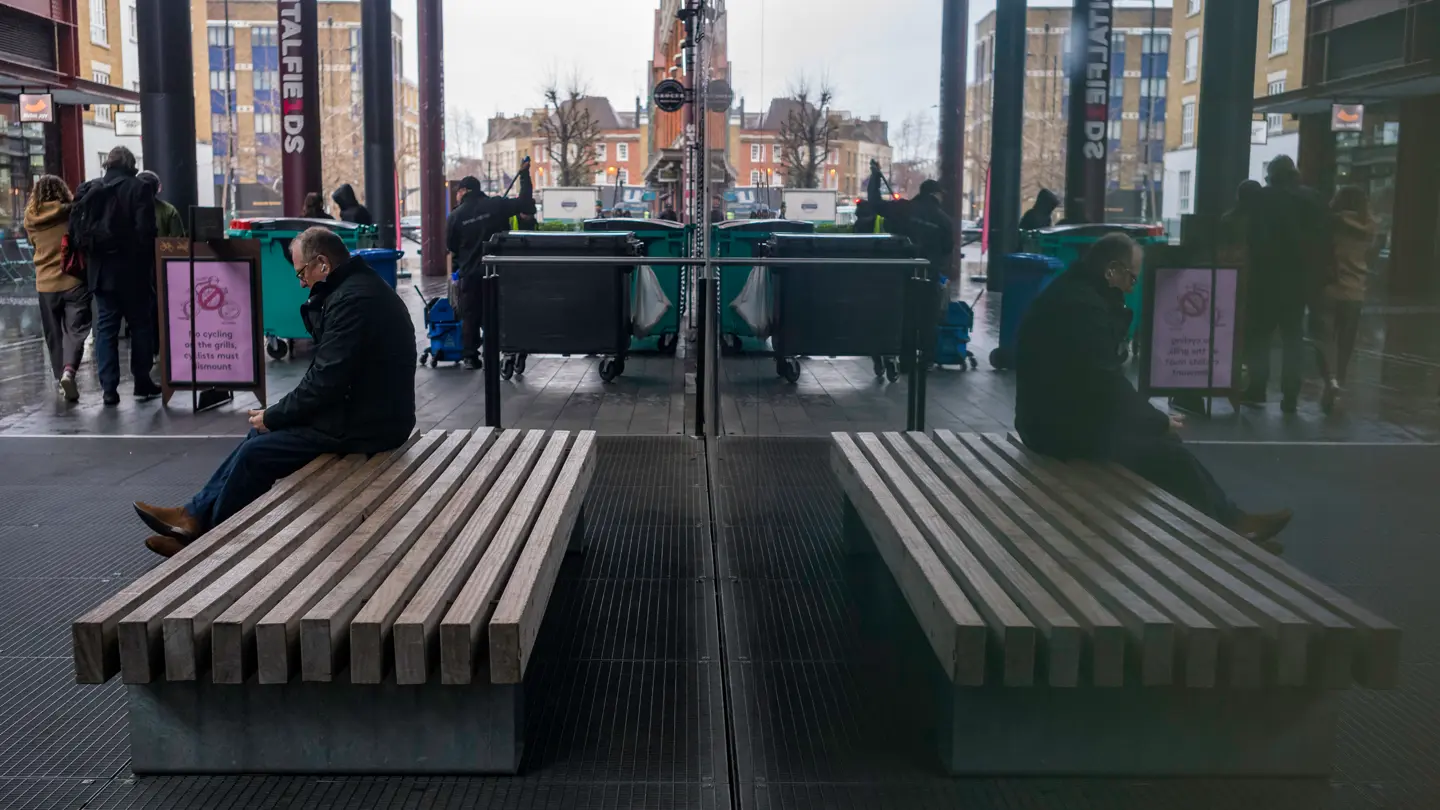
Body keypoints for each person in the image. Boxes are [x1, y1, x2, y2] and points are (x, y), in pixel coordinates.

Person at [132, 227, 416, 557]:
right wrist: (275, 416)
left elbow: (324, 383)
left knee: (258, 454)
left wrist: (275, 414)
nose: (300, 282)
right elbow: (326, 378)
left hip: (370, 424)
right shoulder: (355, 290)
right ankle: (193, 518)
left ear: (322, 264)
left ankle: (204, 543)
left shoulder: (352, 301)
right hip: (367, 411)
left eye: (301, 272)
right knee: (258, 436)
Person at [1014, 233, 1291, 544]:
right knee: (1169, 455)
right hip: (1052, 428)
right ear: (1112, 271)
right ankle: (1229, 527)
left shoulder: (1073, 293)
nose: (1132, 288)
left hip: (1048, 415)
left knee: (1163, 445)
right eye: (1131, 279)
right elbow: (1106, 384)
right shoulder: (1083, 308)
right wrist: (1156, 420)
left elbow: (1096, 382)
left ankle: (1232, 519)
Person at [73, 145, 159, 406]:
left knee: (106, 330)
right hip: (133, 273)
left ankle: (109, 388)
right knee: (141, 326)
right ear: (130, 163)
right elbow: (146, 231)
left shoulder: (91, 188)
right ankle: (142, 381)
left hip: (100, 273)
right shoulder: (139, 187)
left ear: (108, 164)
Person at [1243, 154, 1328, 413]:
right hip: (1299, 281)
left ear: (1272, 176)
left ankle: (1257, 387)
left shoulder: (1262, 199)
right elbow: (1323, 241)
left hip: (1265, 279)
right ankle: (1290, 394)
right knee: (1294, 339)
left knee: (1259, 336)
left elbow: (1249, 234)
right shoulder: (1313, 199)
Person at [447, 161, 534, 370]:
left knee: (470, 314)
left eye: (458, 192)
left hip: (471, 273)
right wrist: (524, 176)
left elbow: (451, 246)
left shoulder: (456, 216)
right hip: (498, 270)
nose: (457, 196)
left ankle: (470, 356)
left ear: (465, 191)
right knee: (499, 312)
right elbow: (526, 203)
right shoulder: (497, 205)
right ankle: (497, 350)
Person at [24, 175, 92, 403]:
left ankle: (60, 379)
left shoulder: (30, 218)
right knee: (76, 331)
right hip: (73, 280)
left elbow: (34, 244)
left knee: (54, 335)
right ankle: (68, 373)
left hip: (46, 284)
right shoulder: (71, 212)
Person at [1311, 186, 1377, 414]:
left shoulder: (1330, 223)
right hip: (1355, 291)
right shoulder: (1369, 227)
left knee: (1322, 339)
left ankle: (1329, 380)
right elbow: (1372, 254)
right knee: (1345, 344)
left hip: (1328, 288)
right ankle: (1339, 379)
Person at [137, 171, 186, 238]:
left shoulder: (126, 208)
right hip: (161, 248)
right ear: (159, 187)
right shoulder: (169, 210)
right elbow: (179, 242)